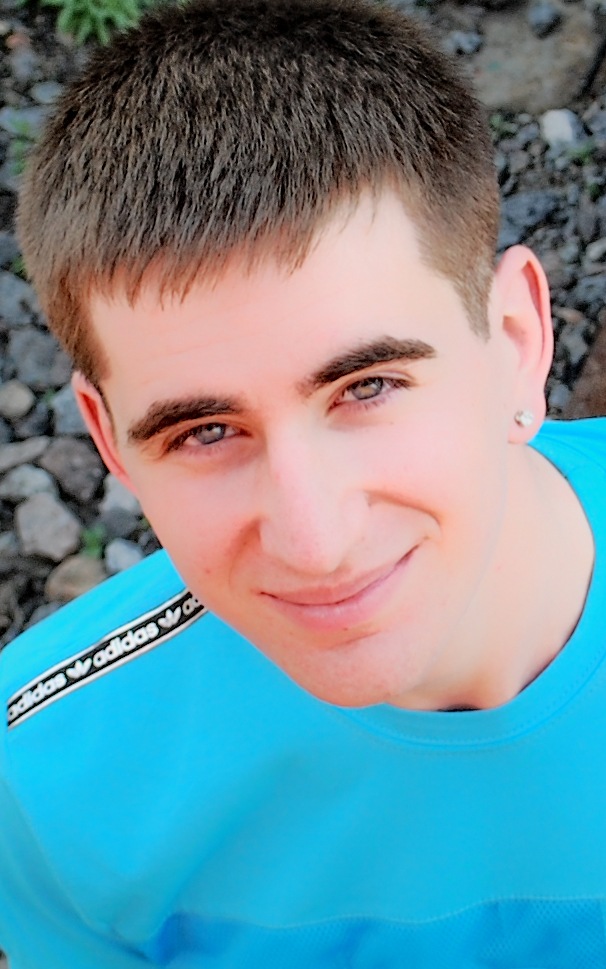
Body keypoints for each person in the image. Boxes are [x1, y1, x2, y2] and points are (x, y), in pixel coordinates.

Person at [1, 0, 605, 964]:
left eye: (367, 387)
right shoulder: (44, 780)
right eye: (205, 431)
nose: (315, 542)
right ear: (108, 439)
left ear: (516, 342)